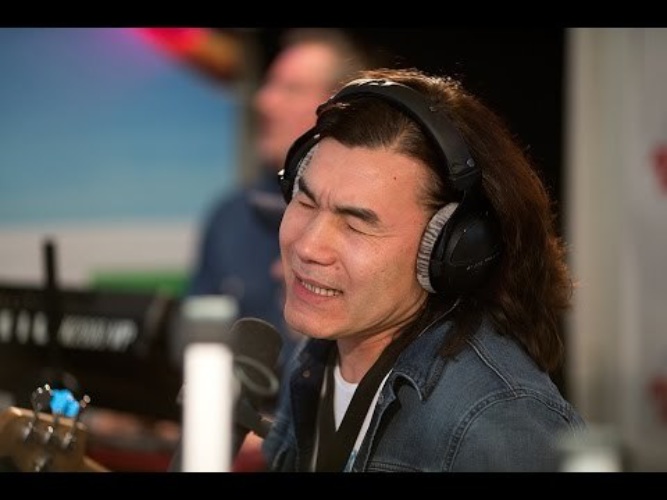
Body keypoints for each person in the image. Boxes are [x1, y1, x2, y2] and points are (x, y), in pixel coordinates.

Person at [261, 67, 587, 472]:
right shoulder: (315, 357)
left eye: (356, 224)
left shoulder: (496, 423)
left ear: (450, 250)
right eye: (306, 202)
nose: (308, 246)